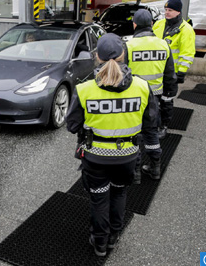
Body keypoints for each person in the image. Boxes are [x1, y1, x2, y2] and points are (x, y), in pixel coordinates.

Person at [66, 33, 161, 257]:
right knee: (119, 195)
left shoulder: (85, 89)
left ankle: (99, 243)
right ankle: (113, 237)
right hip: (128, 155)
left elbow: (72, 125)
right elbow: (151, 123)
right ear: (123, 55)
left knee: (99, 198)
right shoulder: (142, 87)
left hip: (95, 157)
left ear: (97, 57)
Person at [126, 9, 177, 183]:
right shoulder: (163, 45)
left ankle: (136, 171)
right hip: (154, 98)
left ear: (134, 25)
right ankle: (155, 168)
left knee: (134, 135)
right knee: (151, 132)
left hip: (134, 97)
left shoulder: (129, 46)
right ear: (152, 25)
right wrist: (169, 94)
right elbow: (170, 74)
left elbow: (122, 75)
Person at [153, 0, 195, 86]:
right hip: (156, 69)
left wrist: (181, 72)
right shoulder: (158, 24)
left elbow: (187, 53)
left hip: (172, 72)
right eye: (166, 9)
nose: (167, 12)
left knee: (166, 98)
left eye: (170, 10)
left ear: (178, 12)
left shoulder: (186, 29)